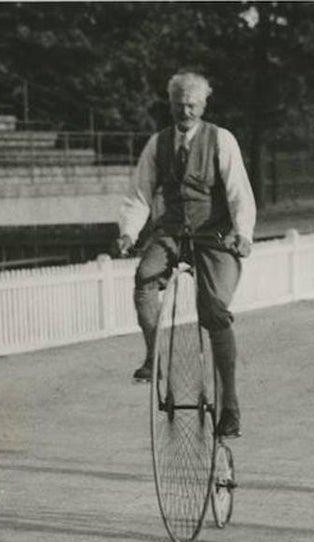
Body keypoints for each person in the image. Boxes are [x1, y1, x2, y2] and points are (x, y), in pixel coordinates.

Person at [115, 70, 255, 439]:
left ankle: (230, 406)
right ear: (171, 105)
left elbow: (239, 190)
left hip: (214, 235)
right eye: (179, 106)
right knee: (144, 278)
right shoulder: (158, 144)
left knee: (215, 311)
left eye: (192, 105)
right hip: (173, 233)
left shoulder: (221, 140)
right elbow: (141, 193)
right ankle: (153, 357)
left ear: (204, 105)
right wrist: (128, 232)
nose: (186, 112)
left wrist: (243, 233)